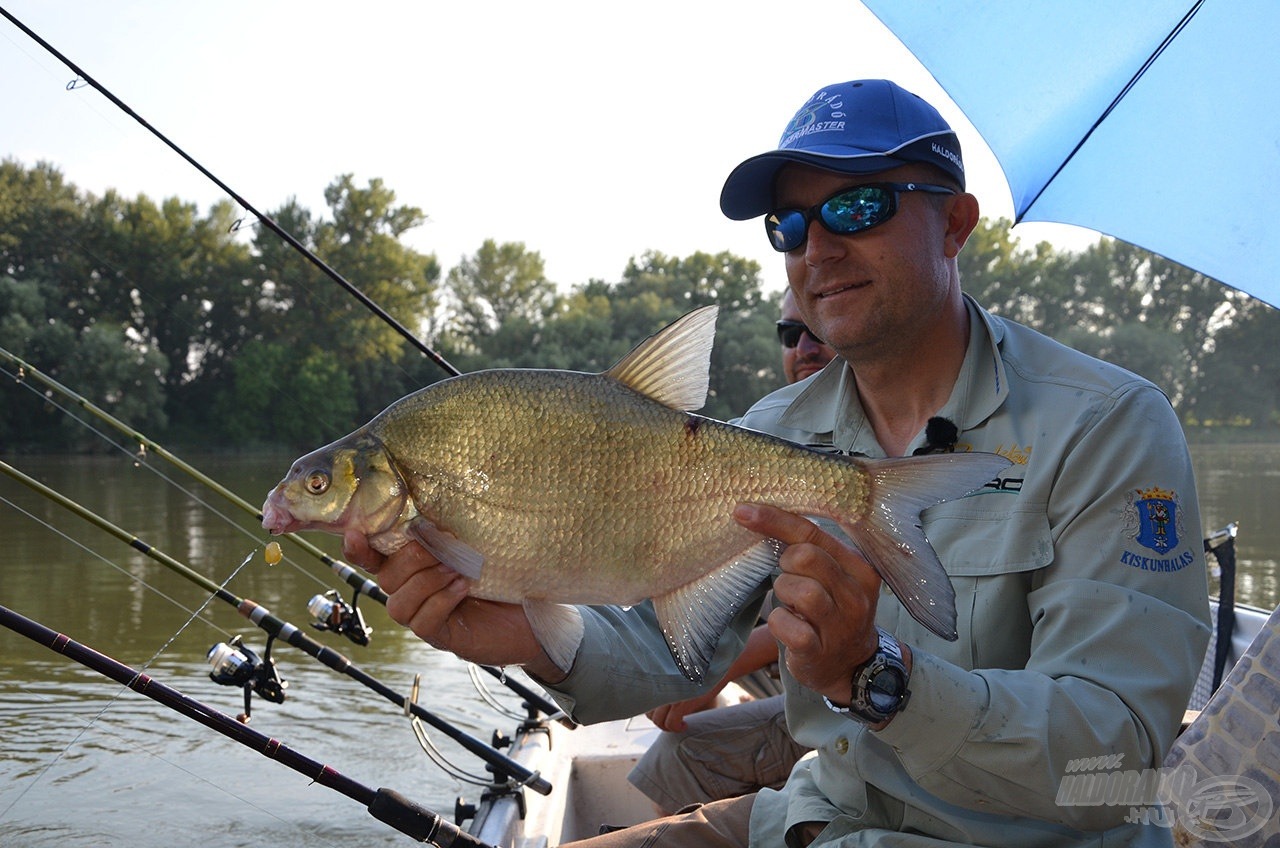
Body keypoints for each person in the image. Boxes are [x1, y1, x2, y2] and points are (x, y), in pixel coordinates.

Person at [345, 79, 1210, 847]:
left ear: (955, 223)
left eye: (858, 207)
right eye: (789, 225)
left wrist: (879, 679)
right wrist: (530, 639)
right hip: (813, 820)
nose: (816, 249)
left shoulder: (1110, 425)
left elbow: (1113, 757)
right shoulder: (773, 430)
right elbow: (672, 647)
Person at [627, 291, 835, 815]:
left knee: (676, 756)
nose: (804, 346)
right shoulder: (765, 433)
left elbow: (872, 616)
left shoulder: (873, 447)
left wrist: (717, 668)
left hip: (855, 702)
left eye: (819, 328)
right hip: (796, 668)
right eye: (791, 334)